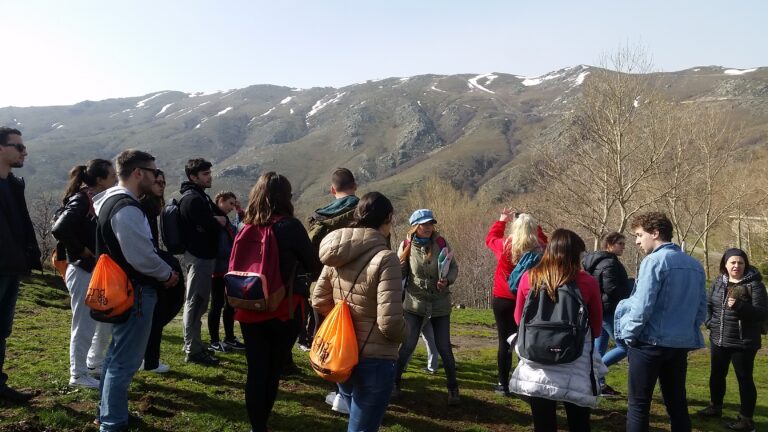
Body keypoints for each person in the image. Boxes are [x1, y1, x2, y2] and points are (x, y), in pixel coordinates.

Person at [93, 149, 179, 431]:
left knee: (115, 355)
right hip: (136, 291)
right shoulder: (127, 207)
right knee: (125, 362)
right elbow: (140, 255)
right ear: (138, 173)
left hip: (123, 289)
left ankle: (108, 412)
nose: (157, 176)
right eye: (154, 172)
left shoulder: (108, 201)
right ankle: (113, 423)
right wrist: (166, 274)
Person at [231, 172, 322, 432]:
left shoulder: (245, 224)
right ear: (286, 198)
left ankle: (256, 426)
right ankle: (262, 424)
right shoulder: (290, 226)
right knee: (272, 370)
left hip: (248, 305)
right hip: (283, 309)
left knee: (256, 368)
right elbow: (312, 265)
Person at [312, 191, 409, 432]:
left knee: (355, 420)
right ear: (387, 219)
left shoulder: (337, 251)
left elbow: (318, 299)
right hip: (375, 358)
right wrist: (407, 334)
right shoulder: (386, 258)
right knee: (363, 427)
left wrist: (344, 321)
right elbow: (390, 323)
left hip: (342, 352)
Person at [616, 212, 707, 432]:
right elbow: (701, 309)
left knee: (638, 405)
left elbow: (642, 306)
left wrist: (628, 335)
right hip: (679, 346)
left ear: (655, 233)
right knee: (677, 405)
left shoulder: (654, 261)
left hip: (649, 344)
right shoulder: (695, 265)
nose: (637, 241)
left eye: (639, 235)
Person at [509, 229, 603, 432]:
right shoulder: (587, 282)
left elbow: (519, 319)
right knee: (579, 423)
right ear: (575, 254)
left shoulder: (529, 277)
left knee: (543, 424)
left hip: (537, 360)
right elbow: (596, 327)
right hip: (574, 361)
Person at [52, 159, 117, 388]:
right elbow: (60, 228)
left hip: (95, 270)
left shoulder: (95, 200)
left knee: (103, 320)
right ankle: (78, 374)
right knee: (84, 323)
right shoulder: (82, 199)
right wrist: (81, 250)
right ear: (99, 180)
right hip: (82, 269)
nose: (116, 179)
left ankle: (94, 363)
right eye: (112, 176)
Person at [697, 248, 768, 432]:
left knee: (744, 379)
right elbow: (708, 304)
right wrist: (709, 322)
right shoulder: (719, 282)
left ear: (746, 264)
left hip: (743, 342)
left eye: (740, 262)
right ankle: (715, 407)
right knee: (717, 375)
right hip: (718, 338)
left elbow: (761, 313)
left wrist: (740, 306)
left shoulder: (755, 285)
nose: (736, 266)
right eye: (733, 262)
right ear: (725, 264)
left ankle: (746, 420)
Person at [394, 209, 460, 405]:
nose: (429, 227)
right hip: (414, 304)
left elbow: (454, 267)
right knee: (407, 345)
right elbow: (400, 273)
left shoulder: (441, 243)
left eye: (431, 223)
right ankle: (394, 383)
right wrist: (399, 267)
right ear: (415, 226)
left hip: (440, 304)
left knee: (444, 348)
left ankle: (453, 389)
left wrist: (447, 281)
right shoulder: (406, 245)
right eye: (424, 224)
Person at [307, 168, 359, 412]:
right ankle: (351, 395)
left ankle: (338, 391)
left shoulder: (320, 218)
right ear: (355, 186)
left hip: (324, 286)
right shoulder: (365, 212)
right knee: (355, 340)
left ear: (332, 189)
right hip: (357, 287)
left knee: (330, 338)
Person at [484, 209, 546, 395]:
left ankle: (503, 384)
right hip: (530, 299)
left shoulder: (505, 245)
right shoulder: (540, 247)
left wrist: (501, 220)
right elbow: (546, 240)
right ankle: (523, 383)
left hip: (503, 298)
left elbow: (490, 238)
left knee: (505, 342)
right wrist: (537, 226)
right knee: (526, 341)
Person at [0, 127, 41, 403]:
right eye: (18, 146)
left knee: (2, 330)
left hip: (11, 267)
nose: (24, 151)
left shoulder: (13, 184)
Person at [179, 158, 227, 366]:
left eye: (209, 172)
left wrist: (217, 219)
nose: (210, 177)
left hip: (202, 256)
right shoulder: (193, 200)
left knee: (198, 302)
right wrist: (217, 221)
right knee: (196, 302)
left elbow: (218, 217)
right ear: (193, 177)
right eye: (205, 174)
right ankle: (193, 349)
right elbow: (211, 224)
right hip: (200, 257)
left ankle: (194, 344)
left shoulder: (200, 197)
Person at [139, 170, 185, 373]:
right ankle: (149, 361)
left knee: (154, 317)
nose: (161, 185)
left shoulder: (153, 207)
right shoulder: (145, 207)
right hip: (148, 269)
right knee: (154, 317)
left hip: (152, 264)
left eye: (163, 182)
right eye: (157, 182)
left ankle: (148, 359)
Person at [581, 231, 631, 396]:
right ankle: (594, 374)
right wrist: (630, 289)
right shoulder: (609, 263)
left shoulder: (596, 260)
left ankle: (599, 385)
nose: (623, 247)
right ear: (609, 244)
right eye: (620, 244)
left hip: (599, 310)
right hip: (609, 311)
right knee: (624, 347)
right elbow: (611, 289)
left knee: (598, 348)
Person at [208, 191, 246, 353]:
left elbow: (238, 231)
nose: (231, 207)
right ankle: (214, 340)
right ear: (220, 201)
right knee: (216, 305)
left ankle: (229, 338)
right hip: (216, 270)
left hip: (228, 270)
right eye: (230, 203)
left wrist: (239, 212)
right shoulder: (214, 219)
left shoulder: (225, 220)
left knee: (230, 305)